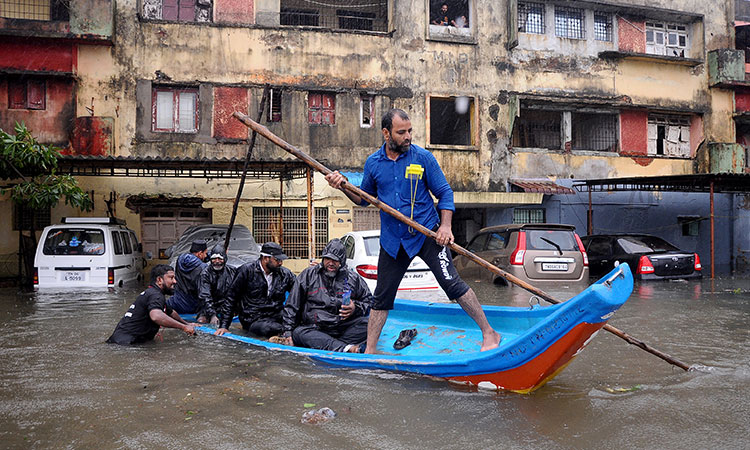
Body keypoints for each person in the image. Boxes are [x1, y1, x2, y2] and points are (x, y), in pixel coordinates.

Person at [325, 108, 501, 354]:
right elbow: (363, 199)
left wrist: (446, 227)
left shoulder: (423, 158)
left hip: (427, 234)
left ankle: (490, 333)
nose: (407, 137)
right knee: (381, 297)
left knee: (453, 285)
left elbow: (445, 193)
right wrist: (343, 185)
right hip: (393, 241)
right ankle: (371, 351)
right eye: (401, 132)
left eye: (409, 131)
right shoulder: (374, 163)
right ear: (386, 133)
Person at [278, 238, 372, 353]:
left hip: (342, 327)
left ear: (341, 261)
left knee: (370, 324)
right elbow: (292, 305)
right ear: (323, 258)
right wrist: (287, 331)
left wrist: (355, 308)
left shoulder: (353, 278)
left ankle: (332, 345)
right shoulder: (309, 275)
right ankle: (345, 347)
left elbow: (369, 302)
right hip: (315, 328)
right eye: (327, 259)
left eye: (335, 260)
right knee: (299, 333)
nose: (331, 263)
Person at [215, 242, 295, 338]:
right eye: (277, 260)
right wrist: (224, 326)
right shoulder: (246, 271)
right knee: (269, 328)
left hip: (276, 315)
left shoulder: (285, 274)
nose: (280, 263)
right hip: (253, 318)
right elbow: (231, 298)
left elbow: (299, 291)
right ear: (265, 258)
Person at [107, 264, 195, 345]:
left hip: (120, 341)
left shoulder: (153, 293)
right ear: (159, 280)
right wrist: (183, 327)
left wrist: (187, 324)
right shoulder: (155, 295)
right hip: (126, 344)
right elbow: (156, 316)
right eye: (171, 278)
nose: (175, 281)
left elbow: (170, 312)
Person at [196, 244, 236, 325]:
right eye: (214, 259)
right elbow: (204, 296)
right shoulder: (205, 274)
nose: (217, 261)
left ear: (224, 259)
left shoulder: (232, 271)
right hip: (208, 307)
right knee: (201, 321)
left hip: (226, 306)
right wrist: (212, 315)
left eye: (220, 259)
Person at [167, 239, 208, 314]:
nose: (206, 256)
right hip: (193, 306)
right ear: (200, 253)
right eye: (205, 253)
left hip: (176, 303)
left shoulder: (180, 259)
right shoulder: (203, 268)